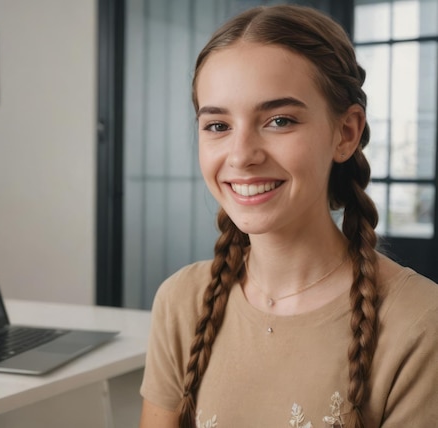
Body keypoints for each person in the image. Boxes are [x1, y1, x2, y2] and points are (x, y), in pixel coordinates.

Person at [139, 4, 438, 428]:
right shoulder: (181, 302)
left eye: (279, 120)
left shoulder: (420, 323)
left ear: (346, 133)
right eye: (218, 126)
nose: (242, 155)